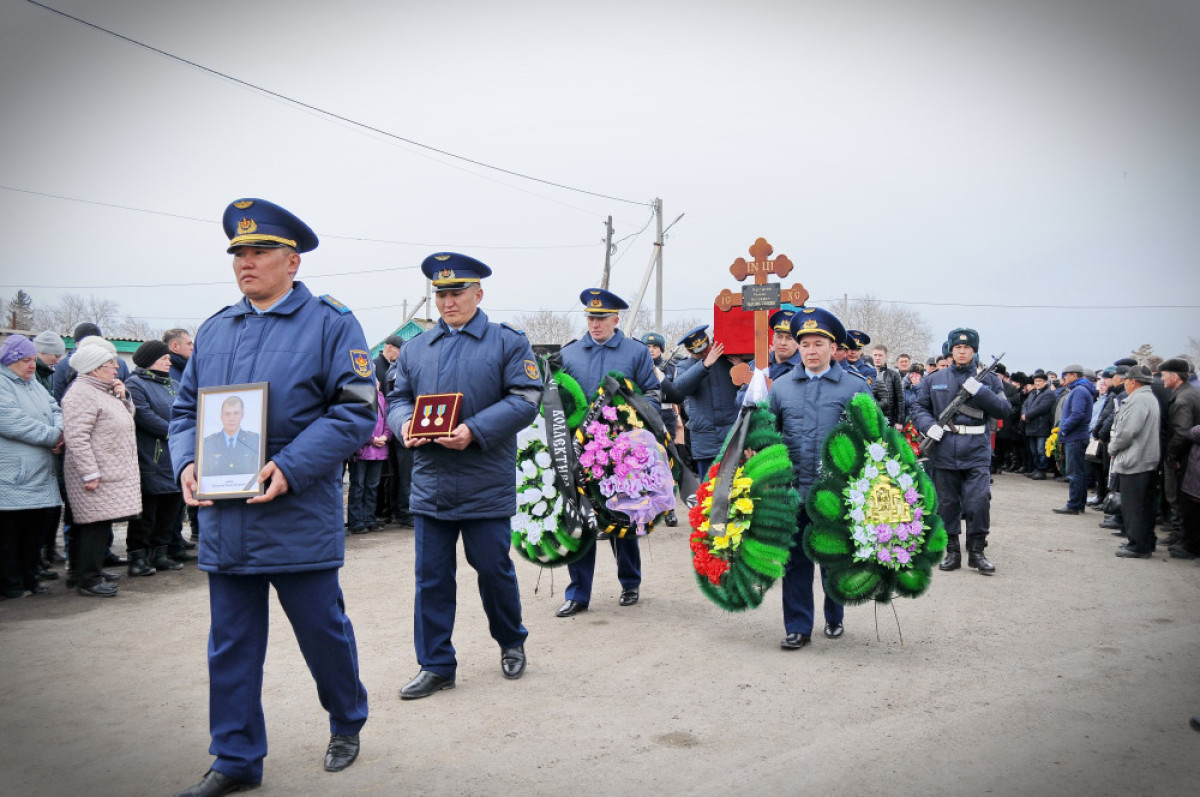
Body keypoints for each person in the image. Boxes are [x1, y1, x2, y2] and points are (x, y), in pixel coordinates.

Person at [169, 198, 376, 796]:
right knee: (230, 645)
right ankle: (234, 759)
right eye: (238, 252)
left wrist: (289, 465)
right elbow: (186, 410)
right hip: (226, 518)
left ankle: (346, 719)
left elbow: (357, 410)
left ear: (293, 260)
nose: (245, 262)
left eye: (258, 251)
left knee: (322, 631)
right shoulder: (215, 329)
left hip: (296, 511)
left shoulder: (332, 324)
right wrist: (186, 460)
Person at [386, 252, 541, 699]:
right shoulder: (416, 348)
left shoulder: (506, 341)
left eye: (457, 292)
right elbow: (398, 398)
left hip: (484, 478)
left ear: (479, 293)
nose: (448, 301)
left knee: (493, 570)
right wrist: (403, 426)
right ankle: (436, 664)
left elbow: (526, 397)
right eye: (441, 293)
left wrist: (474, 429)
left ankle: (511, 641)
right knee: (431, 577)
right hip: (432, 481)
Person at [556, 288, 661, 617]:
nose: (595, 323)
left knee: (622, 515)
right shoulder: (570, 354)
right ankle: (578, 593)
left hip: (621, 451)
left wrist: (632, 421)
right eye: (590, 317)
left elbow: (654, 393)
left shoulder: (636, 352)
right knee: (580, 520)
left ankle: (630, 582)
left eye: (601, 318)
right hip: (579, 451)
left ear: (616, 319)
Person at [769, 307, 869, 648]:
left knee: (831, 558)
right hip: (793, 491)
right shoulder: (782, 388)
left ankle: (834, 613)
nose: (811, 350)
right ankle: (797, 627)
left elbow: (871, 440)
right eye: (805, 344)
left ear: (832, 347)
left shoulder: (855, 387)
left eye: (818, 344)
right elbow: (768, 436)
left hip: (835, 493)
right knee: (795, 562)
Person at [912, 328, 1011, 574]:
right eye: (957, 348)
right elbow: (918, 408)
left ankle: (977, 552)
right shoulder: (934, 379)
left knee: (978, 501)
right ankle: (953, 552)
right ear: (951, 350)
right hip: (943, 448)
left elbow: (1004, 410)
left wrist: (981, 391)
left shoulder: (989, 379)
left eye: (967, 348)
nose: (962, 351)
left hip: (976, 450)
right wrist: (929, 426)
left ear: (974, 351)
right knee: (947, 503)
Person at [60, 343, 141, 597]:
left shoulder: (103, 390)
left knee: (101, 523)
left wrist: (124, 397)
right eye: (110, 364)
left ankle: (92, 571)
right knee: (92, 525)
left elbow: (127, 419)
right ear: (94, 369)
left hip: (110, 469)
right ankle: (87, 579)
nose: (116, 368)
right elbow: (76, 437)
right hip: (95, 473)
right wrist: (90, 472)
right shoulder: (80, 394)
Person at [0, 335, 63, 599]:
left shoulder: (33, 384)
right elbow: (11, 421)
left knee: (32, 533)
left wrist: (61, 430)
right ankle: (10, 585)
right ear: (11, 360)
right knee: (10, 536)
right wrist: (53, 436)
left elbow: (54, 407)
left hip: (40, 473)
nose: (31, 366)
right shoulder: (3, 384)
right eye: (25, 361)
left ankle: (30, 578)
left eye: (32, 360)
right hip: (13, 475)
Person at [124, 340, 186, 576]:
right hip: (151, 456)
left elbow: (186, 410)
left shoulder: (174, 384)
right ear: (151, 360)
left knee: (171, 508)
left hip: (175, 456)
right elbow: (144, 415)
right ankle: (138, 557)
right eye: (164, 358)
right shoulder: (135, 384)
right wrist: (176, 431)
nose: (169, 361)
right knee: (147, 512)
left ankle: (161, 553)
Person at [1107, 366, 1161, 558]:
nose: (1125, 383)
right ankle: (1145, 541)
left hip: (1135, 460)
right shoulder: (1149, 398)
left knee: (1134, 506)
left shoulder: (1138, 400)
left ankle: (1137, 545)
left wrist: (1112, 448)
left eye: (1126, 380)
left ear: (1133, 382)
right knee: (1145, 504)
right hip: (1145, 459)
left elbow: (1127, 432)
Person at [673, 324, 740, 477]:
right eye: (699, 352)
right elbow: (679, 388)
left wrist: (741, 368)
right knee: (707, 490)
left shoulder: (726, 360)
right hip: (705, 441)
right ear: (690, 351)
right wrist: (704, 365)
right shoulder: (685, 365)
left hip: (730, 435)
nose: (705, 353)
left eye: (706, 348)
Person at [1160, 358, 1200, 555]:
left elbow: (1182, 432)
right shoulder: (1191, 393)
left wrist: (1172, 455)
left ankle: (1183, 538)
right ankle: (1180, 535)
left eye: (1164, 375)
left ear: (1175, 376)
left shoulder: (1183, 398)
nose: (1162, 378)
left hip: (1184, 457)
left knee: (1177, 497)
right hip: (1190, 456)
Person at [642, 331, 681, 526]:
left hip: (665, 418)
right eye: (648, 347)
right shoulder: (639, 367)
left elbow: (675, 394)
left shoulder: (671, 368)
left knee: (667, 464)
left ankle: (669, 509)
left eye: (655, 347)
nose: (651, 351)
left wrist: (661, 381)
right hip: (645, 418)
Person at [346, 377, 391, 534]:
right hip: (361, 451)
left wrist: (385, 436)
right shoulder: (357, 396)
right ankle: (356, 521)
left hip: (379, 451)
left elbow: (387, 421)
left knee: (372, 486)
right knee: (358, 486)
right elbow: (355, 424)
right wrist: (371, 439)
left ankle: (369, 519)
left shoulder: (381, 398)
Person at [1052, 365, 1097, 514]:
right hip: (1077, 436)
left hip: (1075, 437)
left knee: (1075, 473)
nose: (1063, 378)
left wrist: (1064, 429)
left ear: (1074, 376)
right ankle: (1078, 503)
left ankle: (1074, 504)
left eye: (1065, 375)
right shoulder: (1080, 390)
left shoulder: (1079, 391)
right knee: (1079, 472)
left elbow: (1077, 414)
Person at [198, 394, 262, 482]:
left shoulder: (255, 441)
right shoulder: (207, 444)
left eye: (236, 413)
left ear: (242, 415)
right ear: (221, 416)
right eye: (227, 414)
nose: (232, 418)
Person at [1021, 370, 1056, 480]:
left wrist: (1027, 416)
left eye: (1040, 381)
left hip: (1041, 426)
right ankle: (1036, 468)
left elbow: (1042, 408)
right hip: (1030, 426)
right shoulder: (1032, 393)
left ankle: (1042, 470)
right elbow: (1025, 405)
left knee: (1041, 450)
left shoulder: (1049, 394)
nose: (1037, 383)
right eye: (1036, 381)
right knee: (1034, 450)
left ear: (1045, 382)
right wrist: (1023, 414)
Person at [870, 344, 905, 430]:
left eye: (880, 355)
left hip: (888, 417)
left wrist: (899, 421)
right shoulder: (866, 373)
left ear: (886, 357)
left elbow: (900, 399)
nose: (877, 358)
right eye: (875, 355)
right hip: (869, 416)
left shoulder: (893, 375)